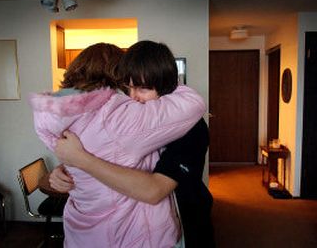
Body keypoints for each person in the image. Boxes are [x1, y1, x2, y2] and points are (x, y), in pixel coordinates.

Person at [29, 42, 206, 248]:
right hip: (132, 232)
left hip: (185, 221)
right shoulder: (125, 118)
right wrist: (67, 168)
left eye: (143, 88)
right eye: (128, 87)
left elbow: (153, 191)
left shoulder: (192, 128)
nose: (133, 97)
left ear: (166, 86)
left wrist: (81, 160)